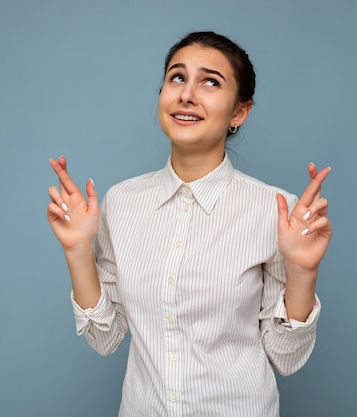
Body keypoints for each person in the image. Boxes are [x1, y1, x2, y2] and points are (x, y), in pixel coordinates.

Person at [46, 31, 332, 417]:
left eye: (210, 82)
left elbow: (286, 356)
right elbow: (105, 337)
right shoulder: (121, 202)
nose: (187, 94)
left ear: (238, 112)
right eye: (177, 77)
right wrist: (78, 250)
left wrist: (302, 271)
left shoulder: (274, 210)